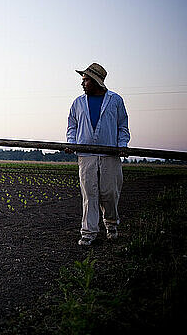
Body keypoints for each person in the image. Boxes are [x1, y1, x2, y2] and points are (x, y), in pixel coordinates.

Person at [65, 63, 130, 246]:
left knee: (110, 193)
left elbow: (122, 126)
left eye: (85, 80)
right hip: (86, 156)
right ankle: (88, 232)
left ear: (96, 82)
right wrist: (71, 143)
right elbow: (72, 126)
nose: (82, 83)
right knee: (89, 194)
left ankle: (111, 225)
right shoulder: (78, 103)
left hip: (109, 155)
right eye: (83, 80)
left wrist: (122, 145)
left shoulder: (115, 100)